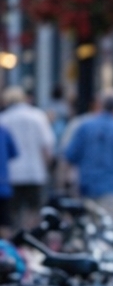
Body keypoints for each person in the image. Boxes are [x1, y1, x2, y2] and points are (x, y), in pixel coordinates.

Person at [63, 94, 113, 217]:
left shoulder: (85, 127)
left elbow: (69, 157)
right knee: (108, 230)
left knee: (86, 229)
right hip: (111, 189)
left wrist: (65, 185)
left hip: (85, 187)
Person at [0, 87, 56, 228]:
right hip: (35, 171)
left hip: (11, 175)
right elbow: (47, 146)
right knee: (34, 210)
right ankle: (30, 239)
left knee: (12, 213)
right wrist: (48, 168)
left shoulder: (4, 119)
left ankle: (16, 241)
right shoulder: (38, 116)